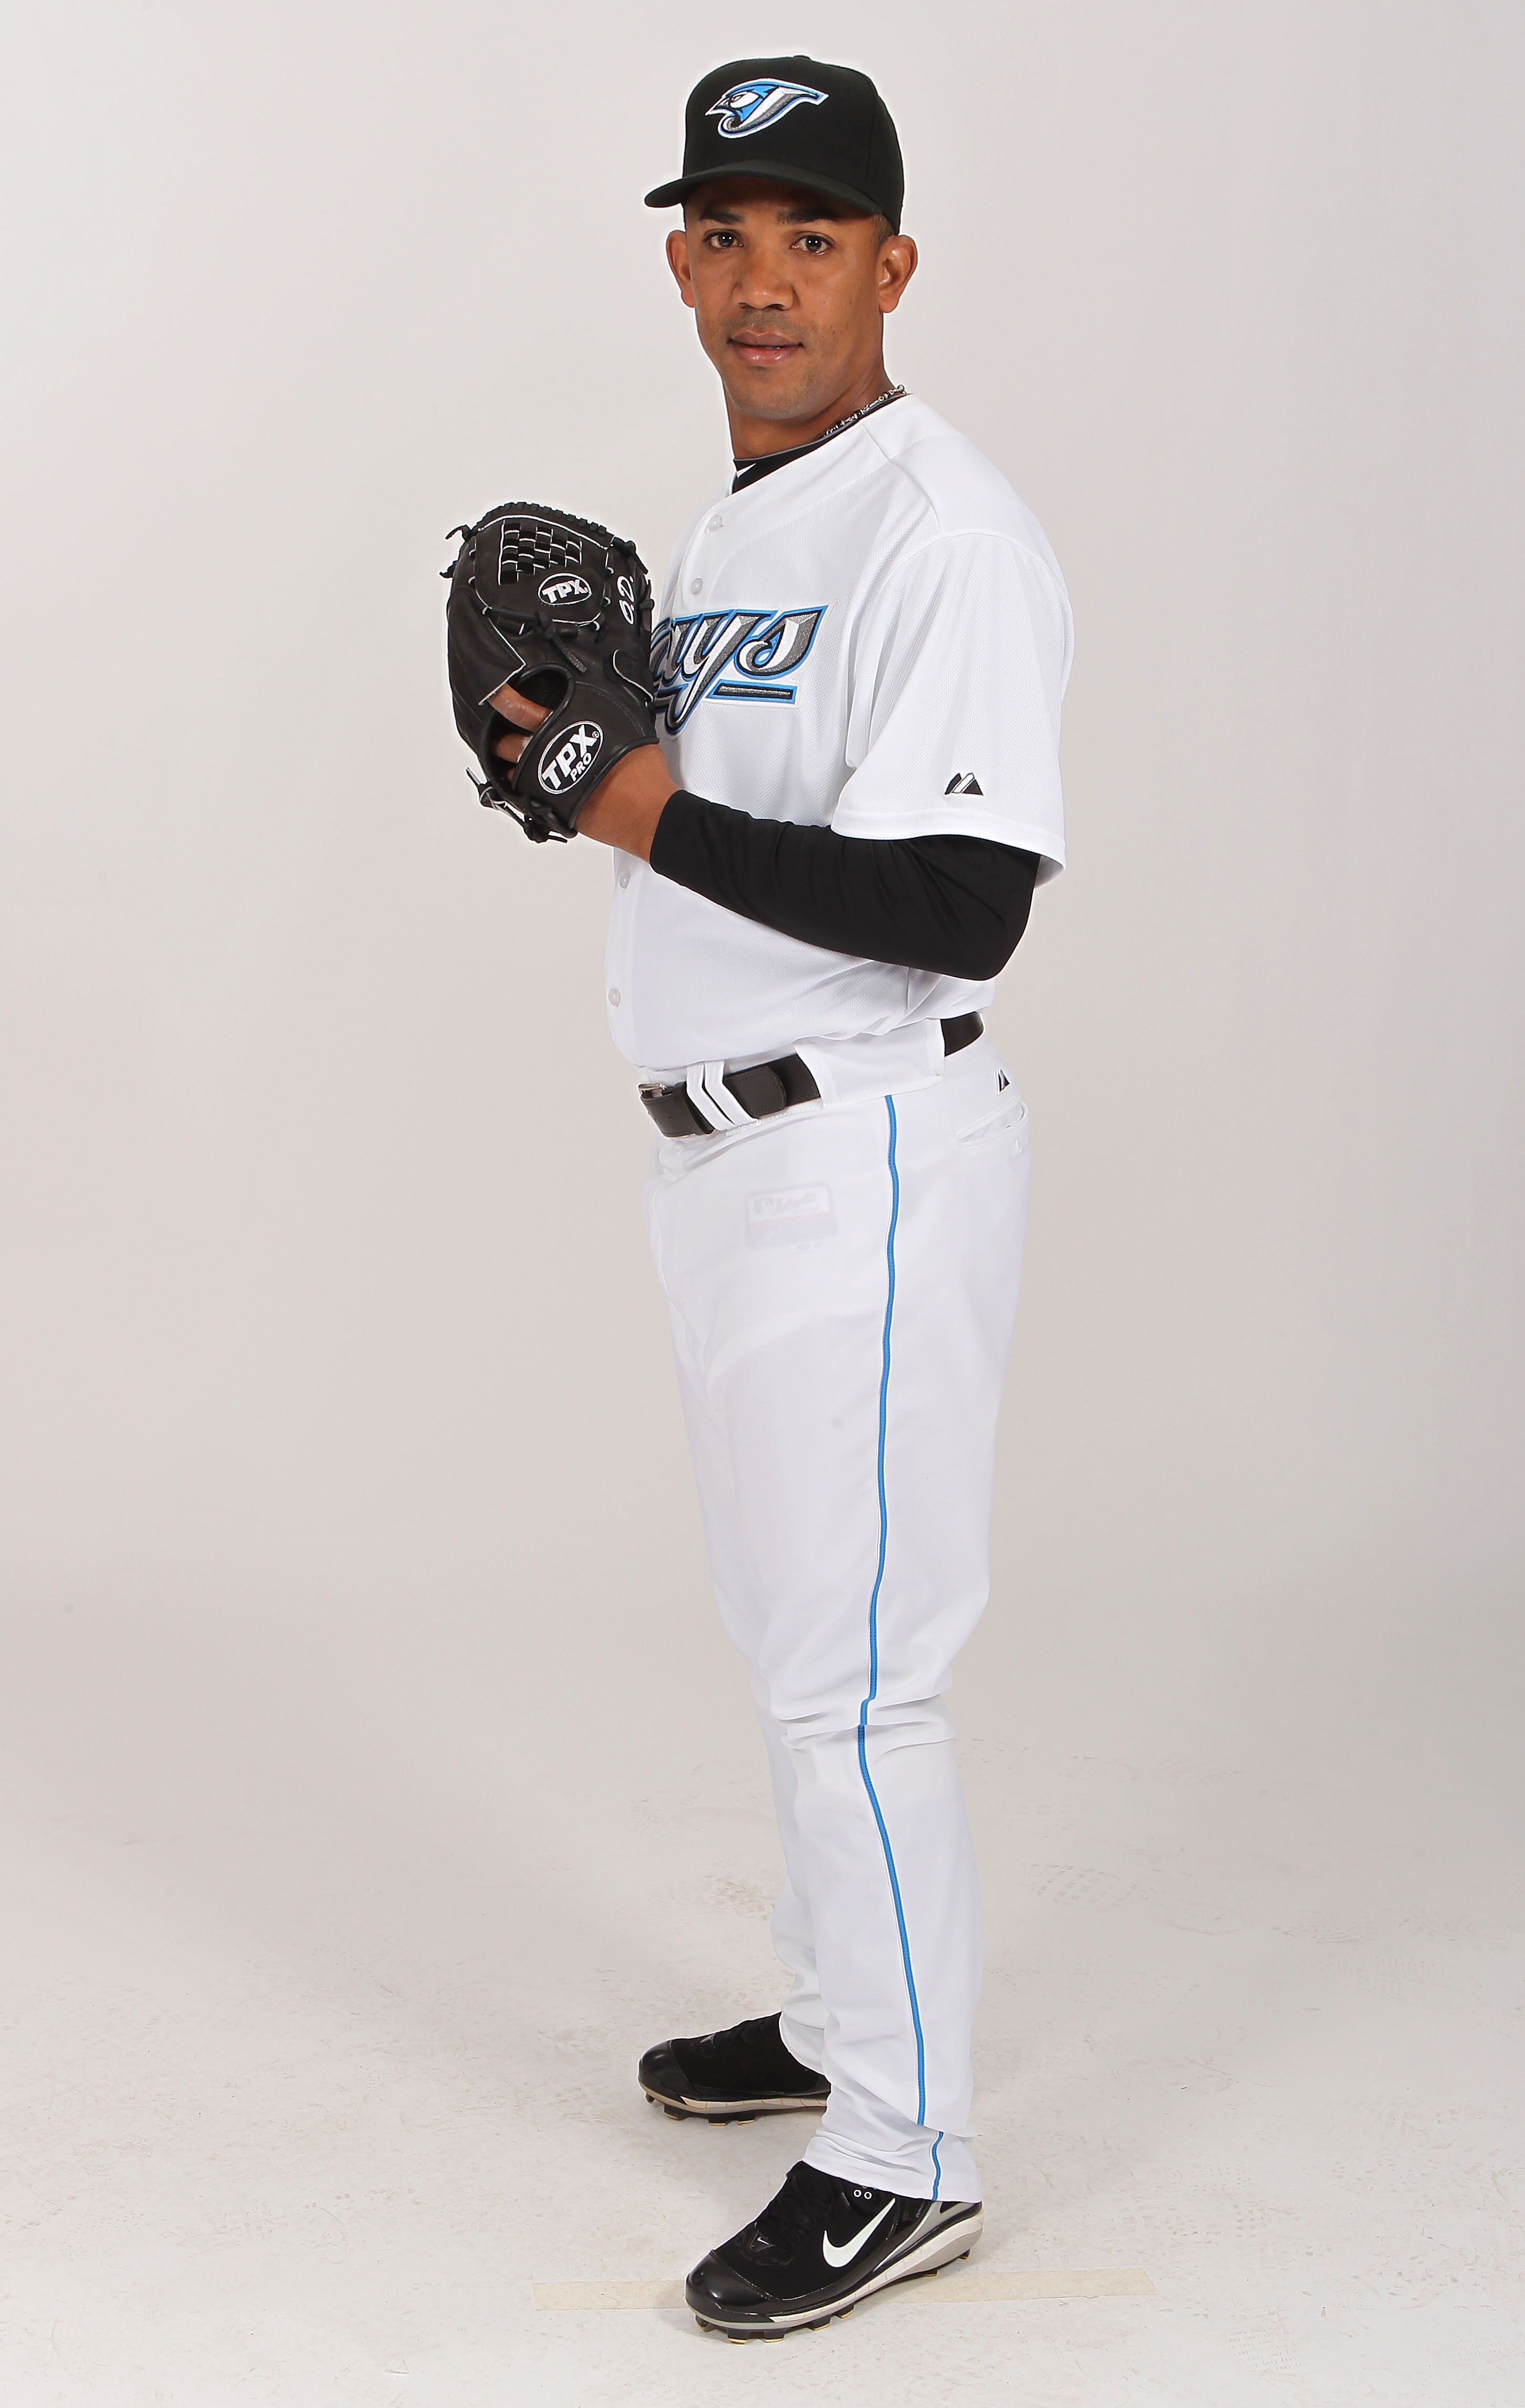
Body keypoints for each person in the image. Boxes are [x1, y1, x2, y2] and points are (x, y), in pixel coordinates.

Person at [487, 54, 1072, 2340]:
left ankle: (903, 2152)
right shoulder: (746, 520)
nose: (761, 278)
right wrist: (577, 752)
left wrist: (621, 805)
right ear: (677, 261)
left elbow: (963, 897)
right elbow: (693, 798)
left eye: (812, 236)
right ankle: (845, 2021)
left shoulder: (945, 529)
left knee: (859, 1677)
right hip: (737, 1166)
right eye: (724, 233)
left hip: (873, 1146)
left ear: (892, 269)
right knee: (794, 1641)